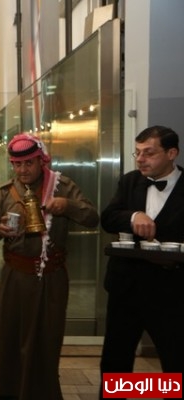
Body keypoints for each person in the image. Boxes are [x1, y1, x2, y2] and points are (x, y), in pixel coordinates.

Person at [0, 133, 99, 400]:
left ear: (41, 161)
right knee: (9, 336)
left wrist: (67, 206)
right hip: (15, 276)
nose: (23, 170)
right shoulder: (4, 192)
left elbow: (92, 217)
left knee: (47, 338)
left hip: (51, 277)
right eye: (17, 164)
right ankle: (6, 392)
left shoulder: (62, 186)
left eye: (29, 163)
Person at [99, 125, 184, 397]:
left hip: (172, 292)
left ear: (172, 153)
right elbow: (108, 218)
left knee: (176, 364)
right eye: (137, 152)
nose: (140, 159)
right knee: (115, 363)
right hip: (127, 288)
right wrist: (134, 216)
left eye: (149, 153)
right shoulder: (129, 182)